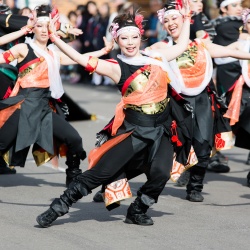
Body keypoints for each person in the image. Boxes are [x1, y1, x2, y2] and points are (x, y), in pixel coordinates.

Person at [36, 0, 192, 227]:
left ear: (141, 36)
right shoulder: (116, 66)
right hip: (134, 131)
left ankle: (138, 210)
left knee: (160, 173)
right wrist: (56, 38)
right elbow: (81, 59)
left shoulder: (156, 58)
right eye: (124, 38)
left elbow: (182, 45)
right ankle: (59, 207)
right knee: (100, 173)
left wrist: (186, 18)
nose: (130, 43)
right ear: (117, 40)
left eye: (134, 37)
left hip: (162, 130)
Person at [150, 0, 250, 202]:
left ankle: (195, 186)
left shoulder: (201, 44)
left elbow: (229, 52)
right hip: (175, 102)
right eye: (166, 20)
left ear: (184, 20)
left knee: (203, 145)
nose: (171, 23)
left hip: (203, 100)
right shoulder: (161, 47)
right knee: (168, 147)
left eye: (175, 18)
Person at [0, 4, 101, 187]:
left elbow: (81, 58)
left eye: (48, 25)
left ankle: (73, 173)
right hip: (23, 106)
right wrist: (23, 30)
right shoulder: (24, 48)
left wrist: (102, 52)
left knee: (75, 140)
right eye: (39, 25)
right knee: (1, 144)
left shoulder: (53, 54)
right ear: (33, 28)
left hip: (45, 108)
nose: (44, 30)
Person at [220, 8, 250, 186]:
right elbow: (220, 55)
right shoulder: (241, 43)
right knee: (223, 128)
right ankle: (196, 168)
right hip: (244, 92)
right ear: (245, 24)